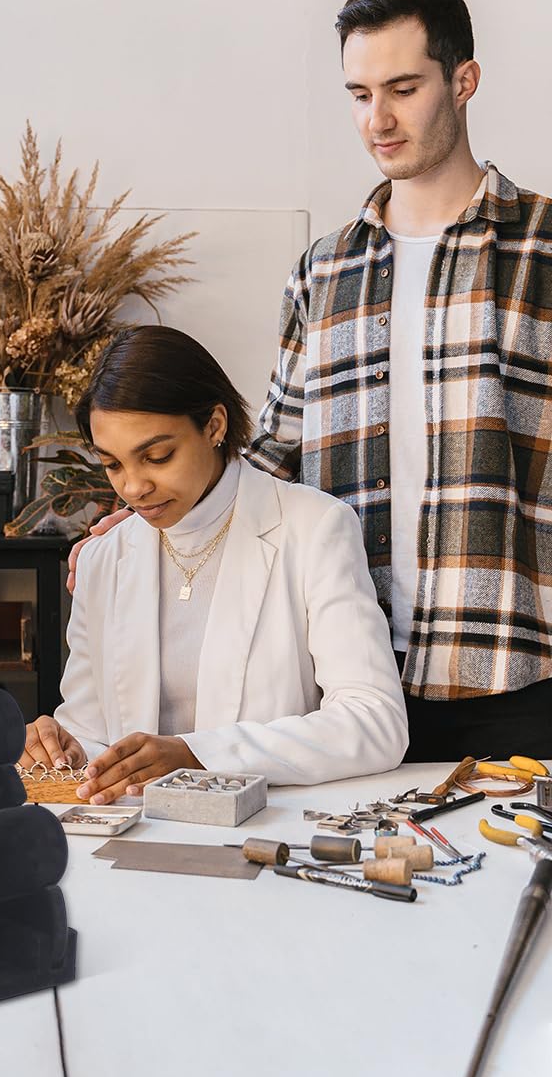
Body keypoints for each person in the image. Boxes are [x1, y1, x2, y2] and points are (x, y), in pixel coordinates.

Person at [70, 0, 552, 761]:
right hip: (344, 677)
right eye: (359, 94)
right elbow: (267, 452)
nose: (379, 119)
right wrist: (141, 512)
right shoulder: (323, 271)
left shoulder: (540, 247)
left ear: (464, 82)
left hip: (511, 671)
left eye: (403, 88)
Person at [23, 326, 407, 800]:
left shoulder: (314, 528)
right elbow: (91, 732)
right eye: (113, 464)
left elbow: (375, 722)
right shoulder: (103, 557)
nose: (134, 487)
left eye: (157, 457)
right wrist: (63, 747)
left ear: (215, 426)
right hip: (137, 842)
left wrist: (198, 755)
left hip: (267, 836)